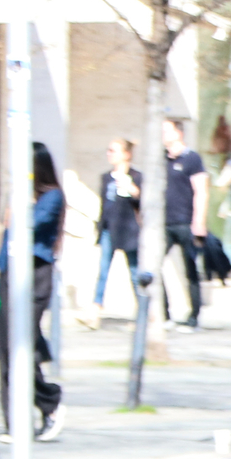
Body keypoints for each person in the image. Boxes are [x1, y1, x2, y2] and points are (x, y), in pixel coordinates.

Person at [0, 142, 67, 442]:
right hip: (11, 271)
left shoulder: (51, 197)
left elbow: (30, 227)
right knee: (7, 348)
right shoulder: (22, 197)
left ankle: (49, 400)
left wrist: (22, 203)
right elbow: (8, 233)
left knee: (22, 344)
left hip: (35, 273)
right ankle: (14, 423)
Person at [161, 116, 210, 327]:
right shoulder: (161, 159)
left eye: (166, 130)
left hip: (186, 222)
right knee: (153, 267)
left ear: (178, 133)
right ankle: (164, 315)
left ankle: (194, 316)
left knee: (190, 269)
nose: (162, 135)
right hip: (164, 222)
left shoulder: (192, 159)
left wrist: (199, 221)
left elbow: (201, 190)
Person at [92, 138, 141, 326]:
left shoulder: (136, 176)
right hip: (109, 228)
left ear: (126, 154)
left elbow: (142, 200)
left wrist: (131, 188)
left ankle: (143, 310)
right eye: (109, 150)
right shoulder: (106, 177)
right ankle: (96, 308)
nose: (109, 154)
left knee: (135, 271)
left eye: (114, 150)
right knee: (103, 269)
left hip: (129, 229)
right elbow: (104, 205)